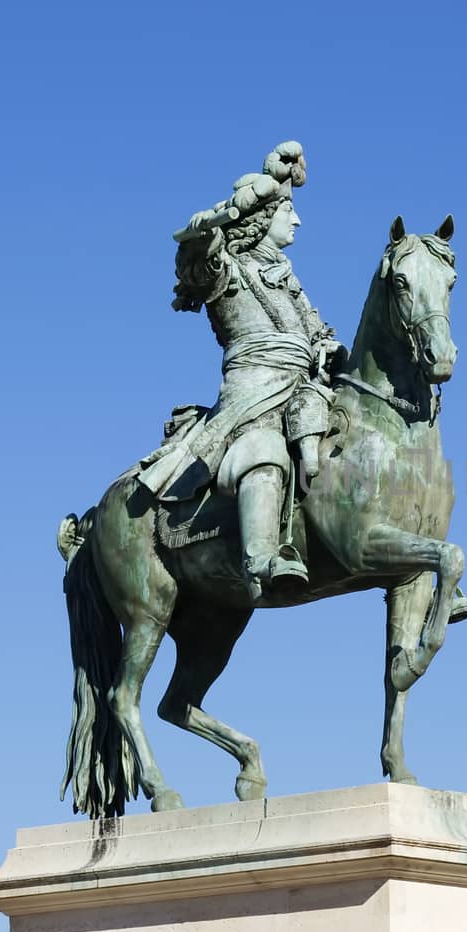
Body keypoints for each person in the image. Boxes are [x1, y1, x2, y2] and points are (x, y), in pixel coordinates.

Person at [137, 142, 339, 602]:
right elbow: (195, 261)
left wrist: (330, 349)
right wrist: (206, 231)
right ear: (264, 218)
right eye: (289, 211)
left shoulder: (288, 279)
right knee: (263, 448)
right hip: (253, 392)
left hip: (304, 386)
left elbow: (317, 330)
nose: (298, 221)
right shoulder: (227, 270)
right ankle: (263, 559)